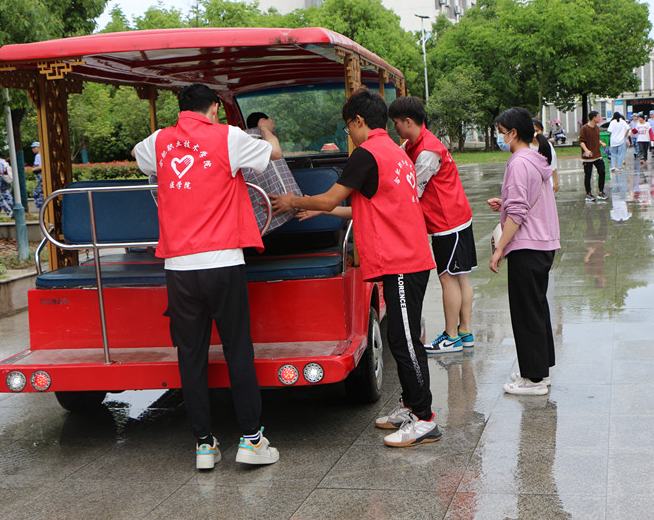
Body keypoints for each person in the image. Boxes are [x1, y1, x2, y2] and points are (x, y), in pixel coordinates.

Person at [270, 87, 441, 448]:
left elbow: (332, 197)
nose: (348, 133)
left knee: (406, 341)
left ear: (359, 120)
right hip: (409, 258)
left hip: (402, 261)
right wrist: (319, 207)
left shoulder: (366, 154)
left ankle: (425, 419)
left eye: (348, 126)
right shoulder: (393, 152)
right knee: (399, 337)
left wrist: (293, 201)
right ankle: (411, 405)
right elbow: (366, 206)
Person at [132, 83, 282, 471]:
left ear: (181, 108)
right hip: (222, 260)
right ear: (215, 108)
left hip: (178, 268)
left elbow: (139, 156)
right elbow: (274, 154)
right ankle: (251, 440)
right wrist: (265, 129)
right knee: (237, 349)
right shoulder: (228, 136)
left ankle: (203, 444)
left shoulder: (158, 141)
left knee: (191, 355)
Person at [388, 96, 477, 354]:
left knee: (448, 278)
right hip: (456, 218)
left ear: (408, 121)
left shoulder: (427, 151)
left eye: (396, 123)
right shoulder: (415, 143)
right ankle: (464, 333)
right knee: (459, 277)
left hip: (447, 222)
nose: (395, 127)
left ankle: (452, 336)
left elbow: (412, 190)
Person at [487, 107, 560, 396]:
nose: (500, 137)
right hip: (543, 244)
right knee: (537, 308)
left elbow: (518, 213)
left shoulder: (519, 162)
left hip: (527, 246)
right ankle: (539, 369)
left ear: (513, 133)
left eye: (501, 132)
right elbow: (524, 201)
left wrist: (499, 248)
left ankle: (533, 379)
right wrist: (504, 203)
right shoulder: (535, 158)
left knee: (526, 312)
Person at [578, 111, 607, 202]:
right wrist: (586, 150)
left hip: (597, 155)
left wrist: (601, 143)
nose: (599, 118)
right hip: (588, 157)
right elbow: (581, 141)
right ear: (594, 118)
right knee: (588, 175)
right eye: (598, 117)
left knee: (602, 172)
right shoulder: (584, 128)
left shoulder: (596, 127)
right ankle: (588, 194)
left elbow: (596, 138)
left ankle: (601, 192)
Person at [532, 118, 560, 193]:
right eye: (532, 131)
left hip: (546, 182)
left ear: (542, 131)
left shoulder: (547, 145)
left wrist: (556, 183)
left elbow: (553, 165)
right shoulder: (526, 146)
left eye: (537, 130)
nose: (535, 134)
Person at [31, 142, 44, 211]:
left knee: (37, 194)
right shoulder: (42, 155)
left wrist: (33, 169)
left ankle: (40, 209)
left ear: (39, 148)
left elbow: (40, 167)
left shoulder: (38, 156)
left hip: (40, 177)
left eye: (34, 147)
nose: (33, 149)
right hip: (42, 177)